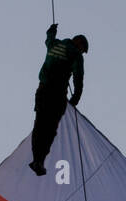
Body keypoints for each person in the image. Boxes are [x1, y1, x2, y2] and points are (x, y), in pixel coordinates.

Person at [29, 23, 88, 176]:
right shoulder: (75, 54)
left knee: (39, 125)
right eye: (83, 49)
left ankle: (36, 159)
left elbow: (48, 40)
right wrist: (75, 98)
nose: (82, 51)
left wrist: (51, 30)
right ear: (79, 43)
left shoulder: (55, 44)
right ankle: (40, 161)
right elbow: (78, 77)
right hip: (56, 95)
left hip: (42, 90)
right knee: (49, 129)